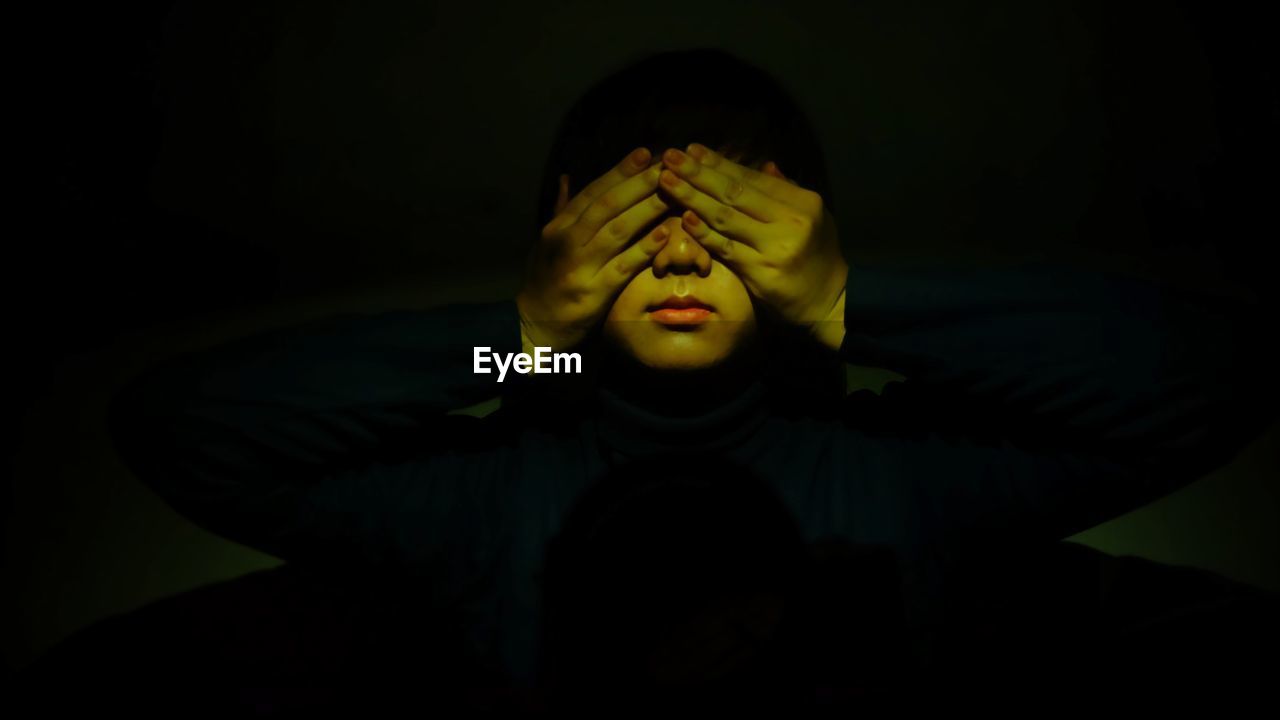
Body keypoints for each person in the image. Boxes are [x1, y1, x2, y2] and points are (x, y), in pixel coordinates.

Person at [94, 47, 1275, 708]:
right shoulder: (486, 499)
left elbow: (1215, 381)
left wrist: (844, 309)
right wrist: (519, 333)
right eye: (635, 216)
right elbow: (182, 430)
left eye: (721, 218)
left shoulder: (898, 476)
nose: (674, 249)